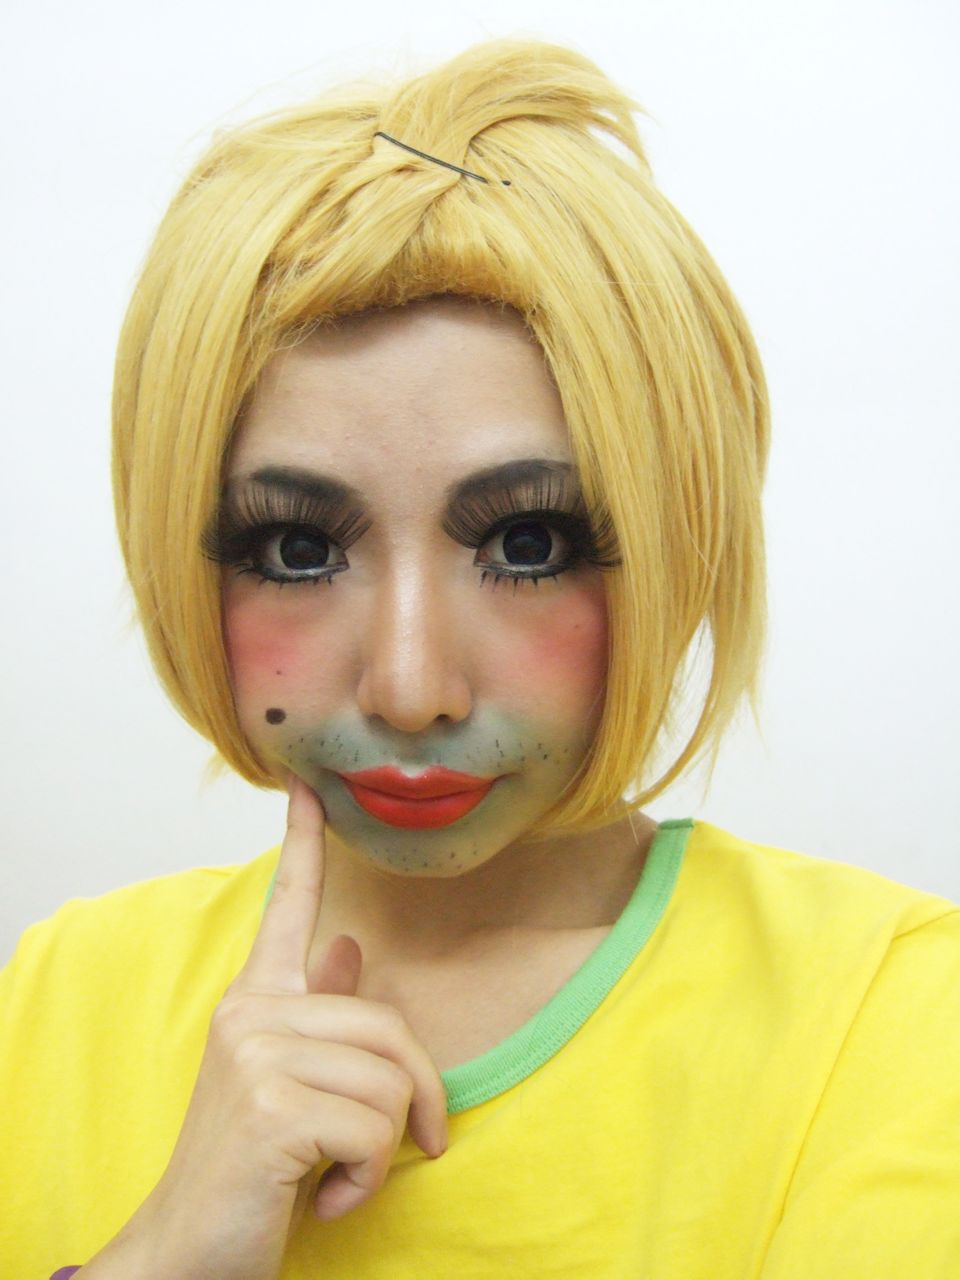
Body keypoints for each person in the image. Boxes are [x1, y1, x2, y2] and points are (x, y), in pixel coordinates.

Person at [2, 38, 959, 1280]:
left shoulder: (888, 1010)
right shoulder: (52, 999)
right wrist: (161, 1255)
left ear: (676, 539)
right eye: (297, 548)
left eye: (527, 542)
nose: (411, 688)